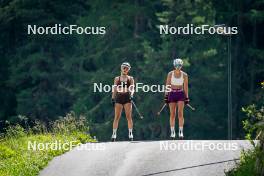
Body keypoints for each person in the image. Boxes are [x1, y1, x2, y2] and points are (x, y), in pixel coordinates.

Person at [164, 58, 190, 139]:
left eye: (179, 65)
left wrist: (186, 97)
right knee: (172, 114)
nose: (178, 67)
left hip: (180, 93)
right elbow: (167, 85)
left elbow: (185, 87)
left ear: (181, 66)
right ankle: (172, 132)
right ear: (174, 65)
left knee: (180, 113)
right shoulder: (170, 74)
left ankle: (181, 131)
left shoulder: (184, 75)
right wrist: (166, 96)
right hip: (172, 93)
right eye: (176, 65)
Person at [111, 62, 135, 141]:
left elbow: (132, 88)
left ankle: (130, 133)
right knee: (117, 117)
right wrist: (113, 98)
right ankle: (114, 134)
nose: (125, 70)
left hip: (127, 98)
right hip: (119, 98)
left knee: (128, 116)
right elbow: (115, 89)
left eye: (127, 68)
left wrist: (131, 95)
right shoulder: (117, 78)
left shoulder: (130, 78)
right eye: (124, 68)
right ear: (121, 68)